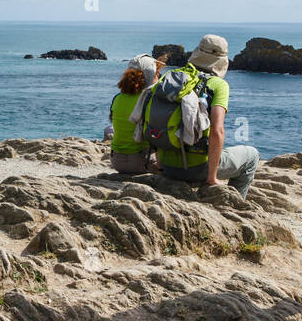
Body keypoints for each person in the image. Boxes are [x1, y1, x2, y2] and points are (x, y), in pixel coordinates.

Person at [151, 34, 259, 198]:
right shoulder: (218, 85)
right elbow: (217, 131)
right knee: (251, 155)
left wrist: (160, 167)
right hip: (198, 169)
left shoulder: (170, 77)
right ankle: (231, 203)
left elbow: (156, 120)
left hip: (167, 167)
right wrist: (212, 177)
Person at [108, 54, 158, 173]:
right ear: (150, 76)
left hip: (116, 161)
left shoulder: (117, 98)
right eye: (157, 73)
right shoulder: (150, 99)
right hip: (142, 162)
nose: (158, 76)